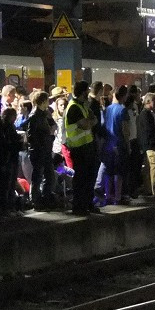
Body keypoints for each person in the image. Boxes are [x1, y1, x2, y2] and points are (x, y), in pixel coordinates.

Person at [65, 81, 100, 215]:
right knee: (81, 179)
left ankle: (88, 204)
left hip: (87, 147)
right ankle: (79, 207)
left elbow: (92, 120)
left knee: (89, 177)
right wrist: (91, 122)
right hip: (79, 149)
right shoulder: (74, 107)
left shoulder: (83, 106)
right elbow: (86, 124)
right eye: (87, 90)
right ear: (83, 91)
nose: (89, 92)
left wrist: (91, 121)